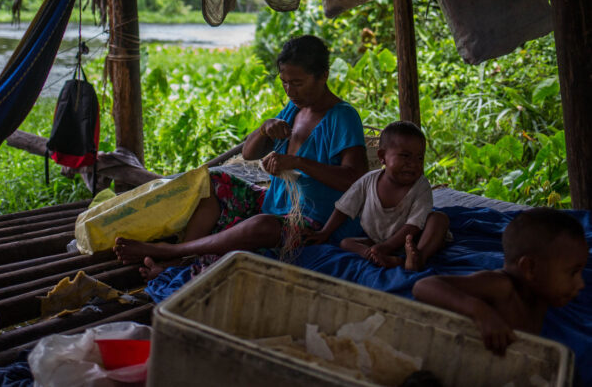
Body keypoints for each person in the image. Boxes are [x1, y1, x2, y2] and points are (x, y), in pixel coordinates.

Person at [114, 35, 369, 278]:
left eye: (298, 83)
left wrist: (298, 162)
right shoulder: (294, 108)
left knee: (263, 226)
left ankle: (172, 252)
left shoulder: (342, 117)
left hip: (315, 221)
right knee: (215, 181)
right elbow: (248, 154)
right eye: (285, 83)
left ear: (323, 76)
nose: (290, 91)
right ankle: (183, 256)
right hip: (274, 205)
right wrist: (264, 129)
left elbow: (355, 179)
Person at [412, 208, 588, 355]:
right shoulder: (502, 287)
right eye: (572, 273)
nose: (581, 284)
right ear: (530, 268)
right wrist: (480, 312)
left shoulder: (540, 295)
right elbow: (424, 286)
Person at [305, 121, 450, 271]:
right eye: (405, 156)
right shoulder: (368, 181)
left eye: (420, 158)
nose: (413, 164)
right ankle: (378, 257)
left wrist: (387, 247)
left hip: (416, 238)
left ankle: (419, 258)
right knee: (346, 243)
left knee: (439, 219)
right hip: (377, 241)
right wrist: (325, 232)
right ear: (382, 156)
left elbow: (414, 226)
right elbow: (344, 207)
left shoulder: (421, 186)